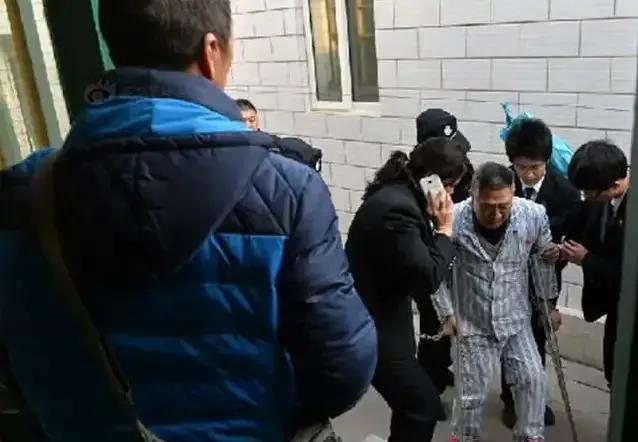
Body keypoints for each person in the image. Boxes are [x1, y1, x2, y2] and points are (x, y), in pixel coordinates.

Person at [0, 1, 378, 441]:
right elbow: (343, 368)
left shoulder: (28, 194)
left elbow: (19, 362)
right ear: (210, 50)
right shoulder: (287, 189)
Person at [346, 137, 467, 442]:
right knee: (421, 406)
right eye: (449, 186)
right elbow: (428, 276)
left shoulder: (401, 194)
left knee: (413, 403)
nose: (451, 194)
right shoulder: (397, 209)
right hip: (369, 322)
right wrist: (444, 230)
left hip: (386, 312)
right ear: (430, 181)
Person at [432, 162, 561, 442]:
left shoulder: (533, 215)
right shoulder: (452, 218)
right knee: (470, 396)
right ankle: (464, 437)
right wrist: (445, 313)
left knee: (533, 381)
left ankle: (530, 436)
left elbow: (543, 262)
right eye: (487, 206)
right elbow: (434, 270)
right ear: (473, 194)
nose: (496, 214)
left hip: (516, 319)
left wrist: (549, 305)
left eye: (504, 206)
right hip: (472, 320)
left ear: (513, 194)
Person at [500, 118, 581, 428]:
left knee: (536, 340)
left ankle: (534, 397)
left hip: (545, 279)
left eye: (535, 167)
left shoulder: (566, 193)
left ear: (547, 160)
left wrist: (560, 251)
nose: (529, 174)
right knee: (510, 341)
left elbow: (575, 236)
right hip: (506, 279)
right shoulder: (501, 185)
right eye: (521, 167)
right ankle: (511, 399)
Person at [413, 109, 473, 398]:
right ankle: (430, 383)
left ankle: (440, 367)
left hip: (456, 257)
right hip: (431, 257)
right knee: (433, 322)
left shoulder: (462, 166)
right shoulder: (419, 183)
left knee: (452, 321)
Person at [563, 140, 629, 386]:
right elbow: (585, 231)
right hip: (611, 305)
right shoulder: (600, 200)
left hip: (629, 309)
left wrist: (586, 259)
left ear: (614, 185)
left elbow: (629, 272)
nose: (587, 198)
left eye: (590, 194)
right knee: (613, 371)